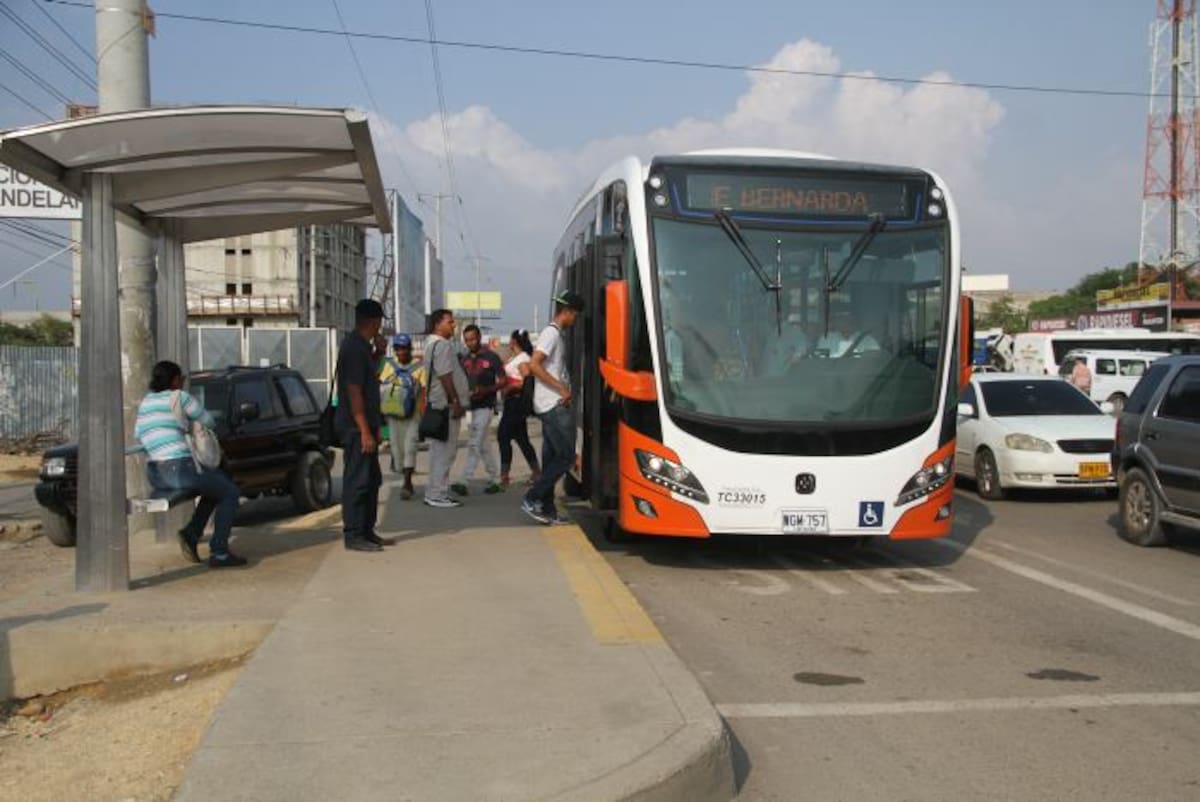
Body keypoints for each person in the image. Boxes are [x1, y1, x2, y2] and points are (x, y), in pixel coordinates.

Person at [135, 360, 244, 567]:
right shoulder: (180, 397)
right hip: (180, 469)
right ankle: (219, 552)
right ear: (175, 380)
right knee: (230, 492)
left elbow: (138, 434)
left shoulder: (146, 403)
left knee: (217, 487)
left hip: (155, 473)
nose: (183, 382)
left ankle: (192, 534)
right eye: (182, 378)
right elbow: (208, 421)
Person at [521, 290, 584, 525]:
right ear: (567, 312)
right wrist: (562, 389)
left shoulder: (555, 334)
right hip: (552, 404)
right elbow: (534, 364)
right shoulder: (552, 334)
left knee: (550, 458)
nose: (575, 320)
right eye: (575, 315)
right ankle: (531, 497)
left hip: (548, 403)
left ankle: (546, 509)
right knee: (566, 457)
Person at [336, 299, 389, 552]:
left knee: (371, 480)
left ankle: (367, 530)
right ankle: (353, 534)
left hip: (367, 426)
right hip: (357, 428)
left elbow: (369, 381)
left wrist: (379, 353)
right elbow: (354, 391)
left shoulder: (363, 348)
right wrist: (365, 430)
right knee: (357, 481)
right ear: (374, 321)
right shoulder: (353, 348)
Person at [451, 324, 505, 496]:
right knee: (483, 445)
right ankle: (496, 478)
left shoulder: (492, 357)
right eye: (466, 340)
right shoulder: (463, 359)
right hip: (470, 408)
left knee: (474, 443)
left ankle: (464, 480)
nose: (470, 343)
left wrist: (487, 390)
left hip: (486, 407)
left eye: (472, 339)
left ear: (479, 337)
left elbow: (503, 381)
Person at [423, 308, 469, 508]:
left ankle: (436, 491)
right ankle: (437, 494)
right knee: (445, 451)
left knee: (439, 451)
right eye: (449, 322)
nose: (453, 325)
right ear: (437, 324)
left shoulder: (431, 344)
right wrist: (455, 401)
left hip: (439, 404)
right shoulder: (441, 346)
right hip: (445, 406)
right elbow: (445, 376)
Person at [379, 333, 426, 500]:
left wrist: (423, 413)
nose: (401, 352)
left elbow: (424, 390)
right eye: (398, 348)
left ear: (410, 349)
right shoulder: (389, 365)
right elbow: (383, 387)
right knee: (397, 449)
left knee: (410, 447)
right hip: (393, 415)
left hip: (413, 415)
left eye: (404, 348)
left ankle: (407, 482)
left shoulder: (420, 367)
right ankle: (403, 474)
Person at [498, 329, 541, 487]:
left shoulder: (523, 359)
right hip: (511, 402)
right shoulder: (514, 357)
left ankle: (504, 475)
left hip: (516, 402)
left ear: (514, 341)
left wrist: (510, 388)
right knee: (522, 439)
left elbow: (526, 380)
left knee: (503, 436)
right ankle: (536, 471)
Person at [815, 305, 880, 358]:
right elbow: (821, 361)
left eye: (845, 317)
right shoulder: (826, 338)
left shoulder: (868, 340)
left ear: (853, 319)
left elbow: (874, 362)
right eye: (839, 317)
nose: (843, 320)